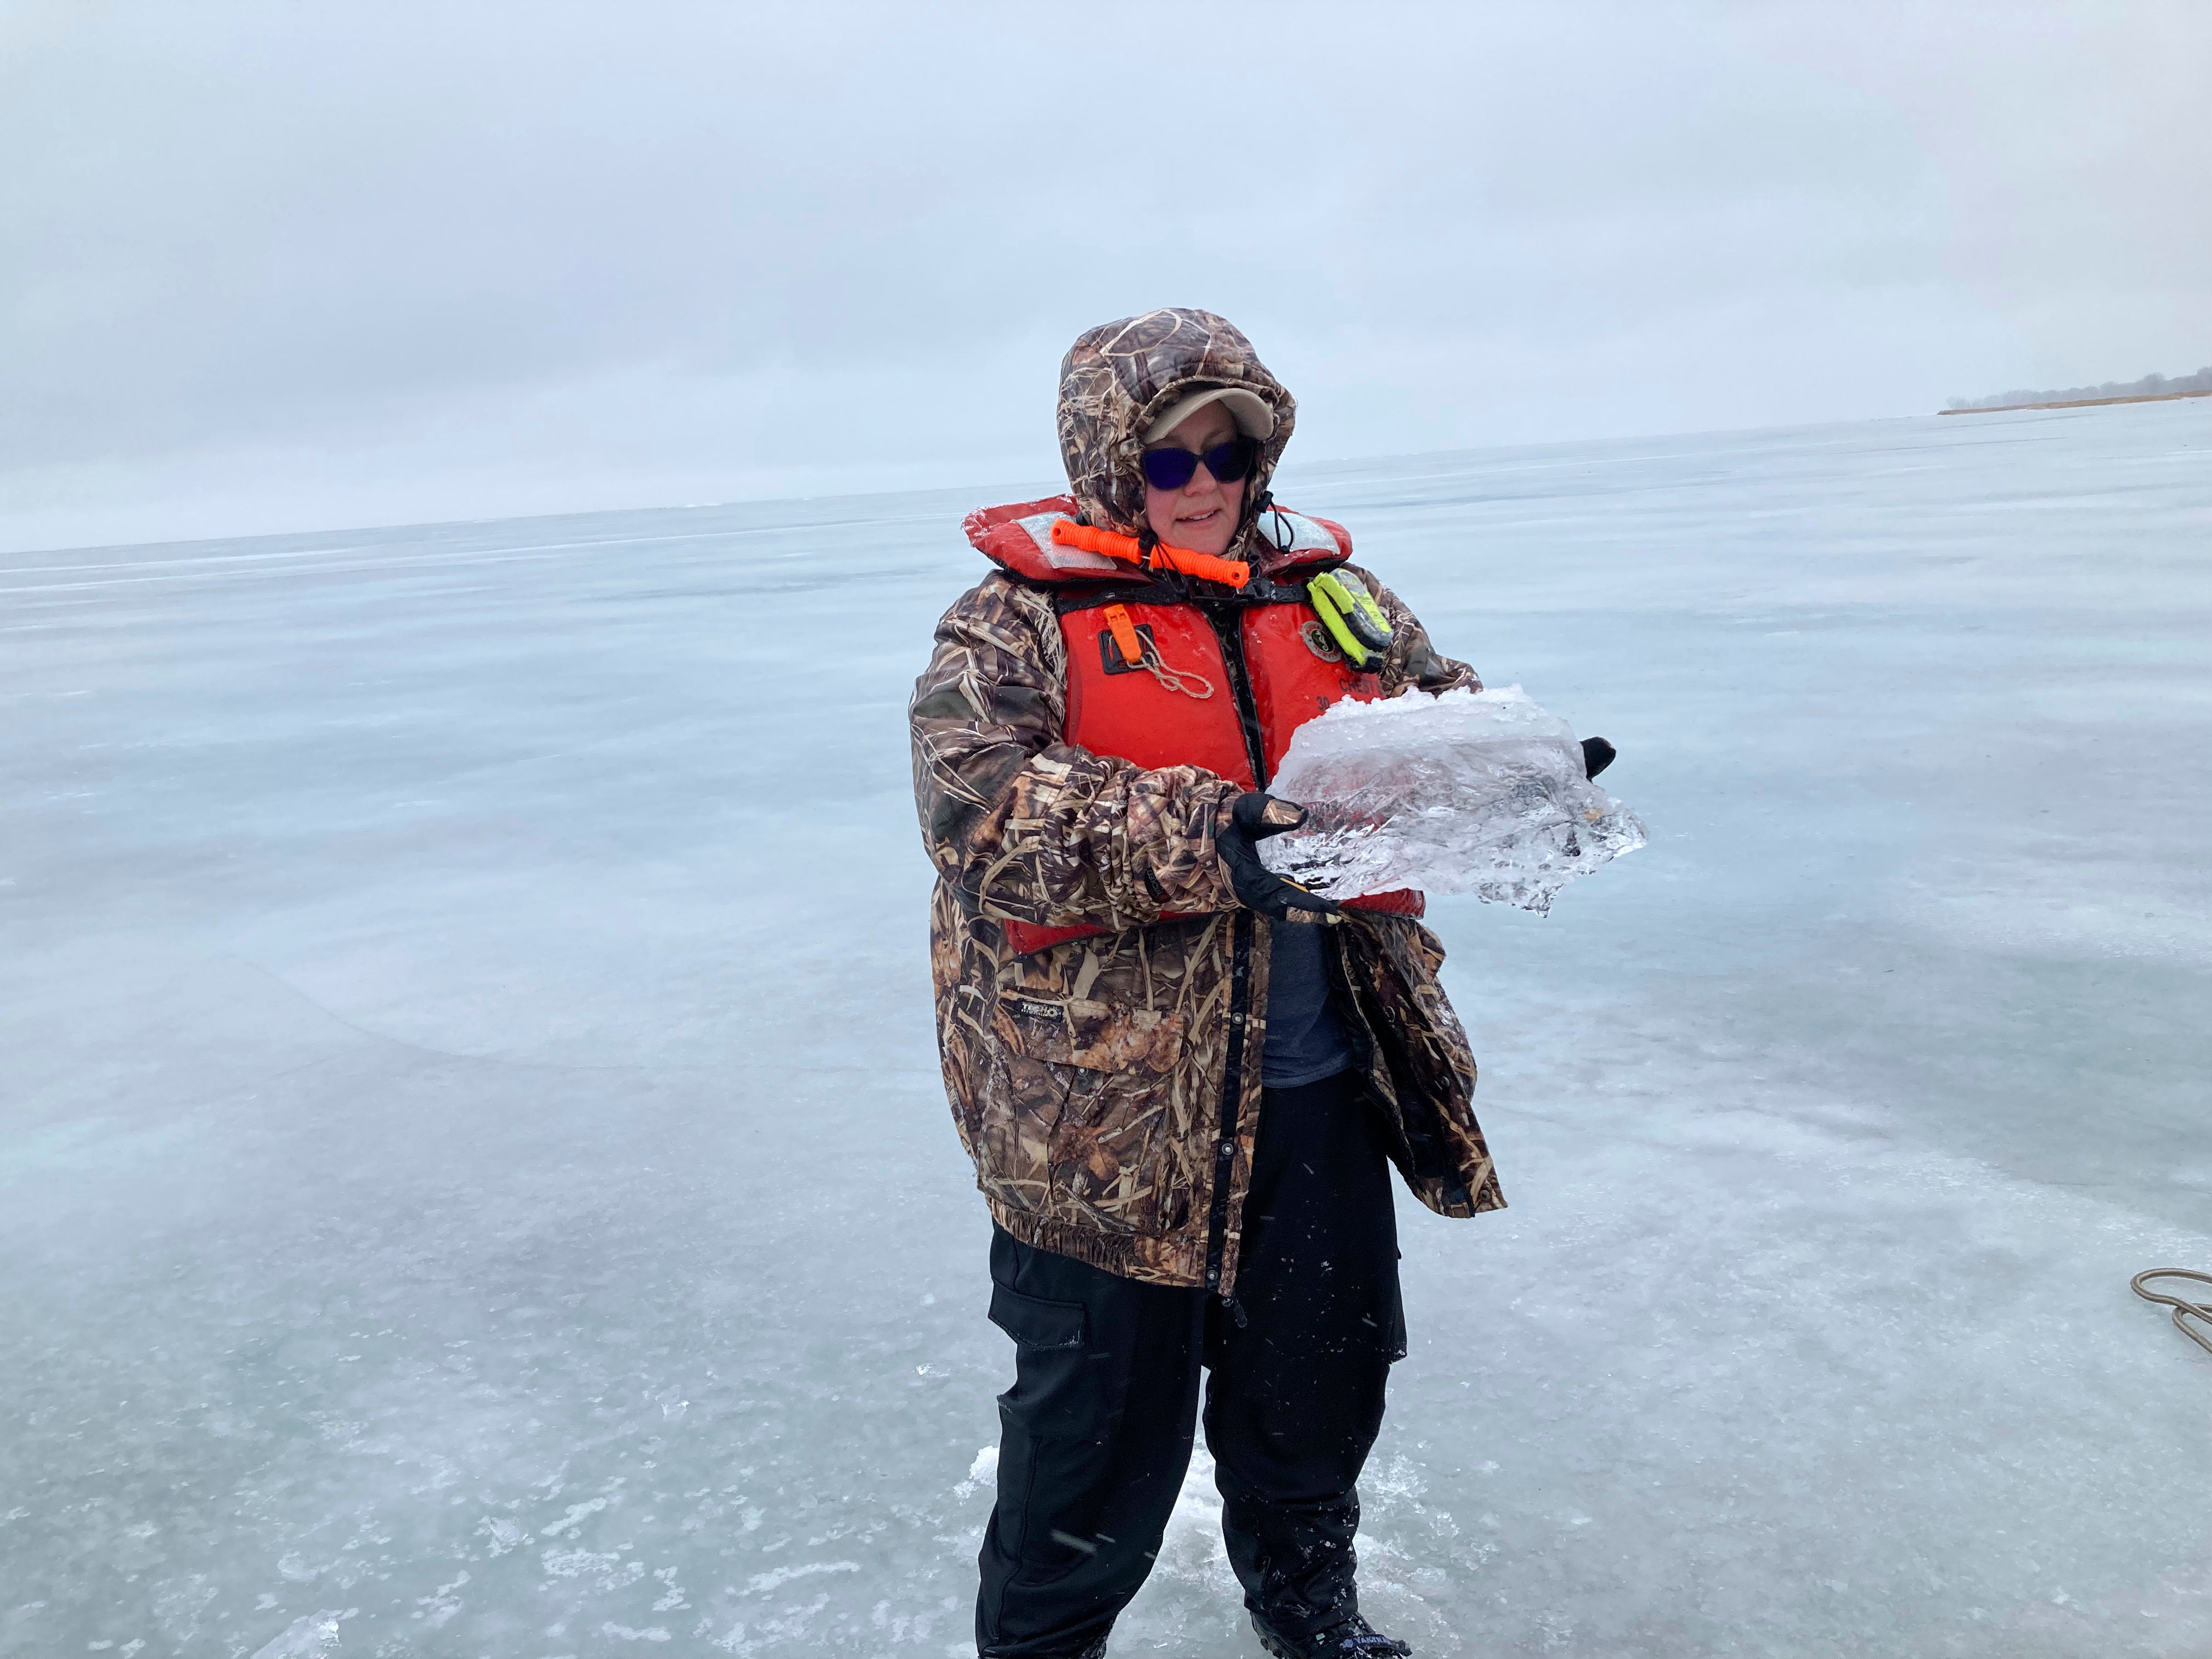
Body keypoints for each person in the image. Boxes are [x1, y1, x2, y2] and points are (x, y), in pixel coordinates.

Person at [910, 309, 1505, 1659]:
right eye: (1172, 459)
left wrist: (1510, 770)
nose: (1209, 483)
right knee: (1090, 1463)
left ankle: (1309, 1621)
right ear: (1113, 463)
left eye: (1230, 448)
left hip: (1319, 1091)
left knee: (1317, 1400)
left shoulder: (1336, 599)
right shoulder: (1014, 623)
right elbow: (978, 815)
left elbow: (1436, 714)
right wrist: (1210, 830)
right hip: (1105, 1136)